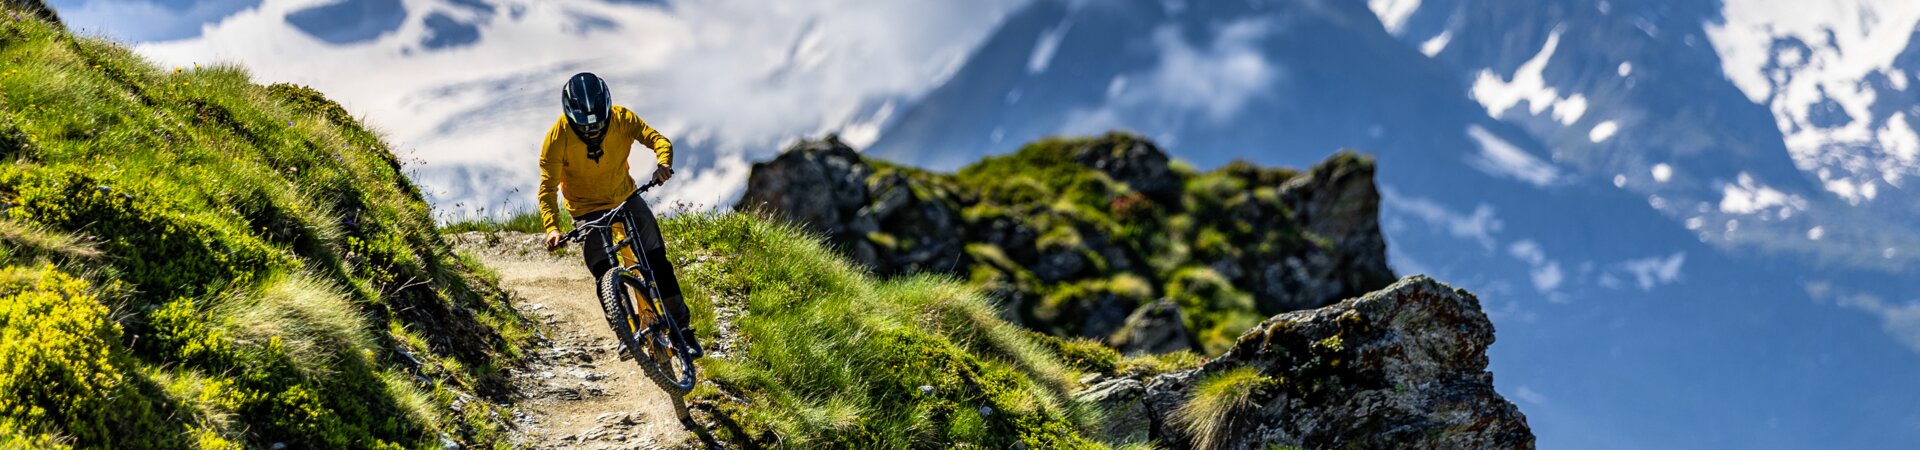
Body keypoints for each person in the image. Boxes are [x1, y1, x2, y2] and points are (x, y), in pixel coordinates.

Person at [538, 72, 702, 358]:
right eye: (584, 127)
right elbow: (547, 189)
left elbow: (658, 140)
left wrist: (664, 164)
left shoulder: (622, 118)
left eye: (598, 125)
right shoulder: (556, 139)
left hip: (625, 198)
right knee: (603, 271)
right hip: (586, 210)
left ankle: (683, 332)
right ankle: (625, 332)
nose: (591, 131)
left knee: (656, 259)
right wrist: (552, 228)